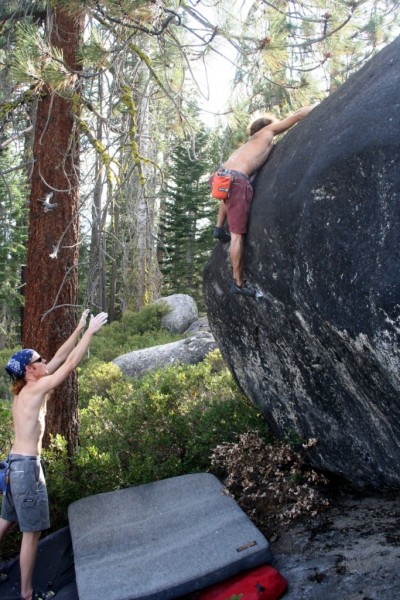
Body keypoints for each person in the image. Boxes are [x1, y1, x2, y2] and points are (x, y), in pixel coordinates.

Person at [0, 309, 108, 600]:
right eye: (39, 360)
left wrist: (77, 328)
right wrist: (90, 334)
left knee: (6, 521)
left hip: (12, 467)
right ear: (28, 370)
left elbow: (60, 357)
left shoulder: (27, 389)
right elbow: (70, 364)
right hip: (26, 470)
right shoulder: (36, 390)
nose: (44, 361)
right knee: (31, 534)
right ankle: (25, 593)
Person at [211, 106, 313, 297]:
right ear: (268, 126)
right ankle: (238, 283)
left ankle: (218, 227)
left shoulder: (247, 145)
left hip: (222, 176)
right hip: (236, 180)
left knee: (227, 194)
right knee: (237, 236)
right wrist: (321, 107)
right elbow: (298, 115)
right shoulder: (267, 131)